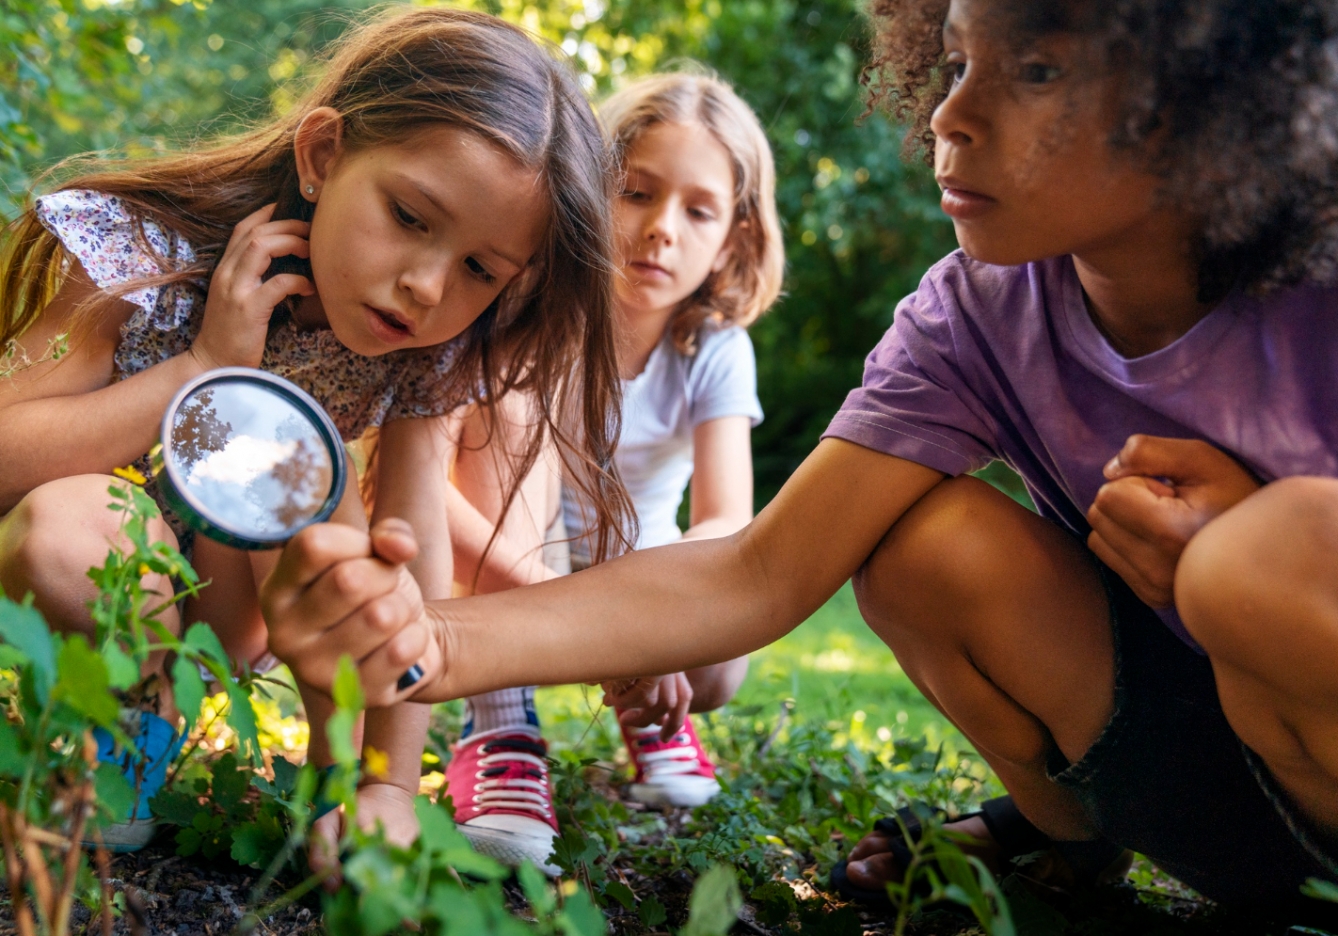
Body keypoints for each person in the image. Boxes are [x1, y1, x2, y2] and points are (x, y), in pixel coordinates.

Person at [262, 0, 1338, 911]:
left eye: (1039, 71)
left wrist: (1256, 542)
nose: (952, 116)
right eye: (957, 62)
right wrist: (422, 638)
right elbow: (758, 569)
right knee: (927, 548)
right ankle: (1068, 841)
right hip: (1208, 795)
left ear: (1203, 102)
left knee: (1261, 555)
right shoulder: (975, 318)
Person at [0, 6, 632, 860]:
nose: (423, 286)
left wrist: (388, 786)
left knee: (294, 471)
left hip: (235, 610)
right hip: (84, 563)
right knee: (78, 522)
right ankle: (120, 719)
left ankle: (332, 787)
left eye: (479, 269)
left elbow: (413, 575)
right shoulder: (138, 248)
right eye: (410, 217)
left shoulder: (421, 359)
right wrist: (200, 369)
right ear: (323, 155)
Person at [436, 73, 783, 873]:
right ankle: (500, 723)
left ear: (732, 238)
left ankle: (650, 713)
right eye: (636, 192)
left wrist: (655, 631)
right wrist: (608, 644)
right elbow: (437, 502)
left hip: (636, 568)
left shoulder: (716, 348)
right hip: (505, 560)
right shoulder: (528, 310)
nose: (661, 229)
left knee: (722, 660)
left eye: (698, 211)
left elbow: (728, 518)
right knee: (509, 431)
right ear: (591, 191)